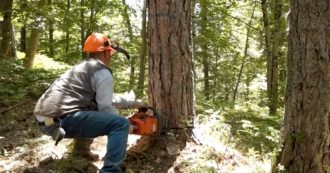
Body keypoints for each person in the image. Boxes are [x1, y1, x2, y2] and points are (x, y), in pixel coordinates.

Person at [34, 33, 136, 173]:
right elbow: (106, 108)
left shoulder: (81, 68)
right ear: (106, 52)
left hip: (44, 120)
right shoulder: (102, 73)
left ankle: (81, 152)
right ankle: (111, 170)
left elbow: (105, 99)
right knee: (120, 124)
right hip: (61, 120)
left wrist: (135, 104)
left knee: (92, 109)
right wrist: (127, 125)